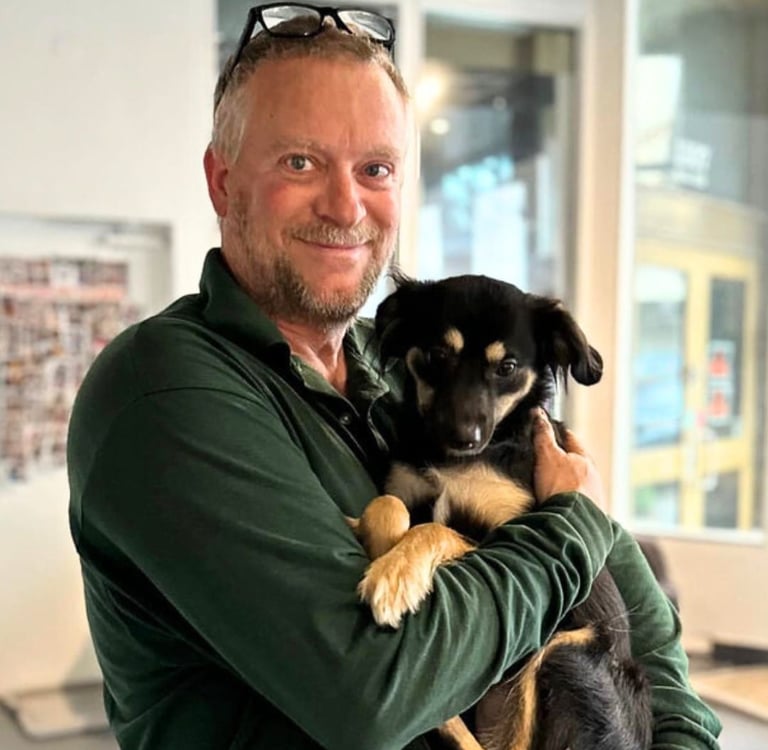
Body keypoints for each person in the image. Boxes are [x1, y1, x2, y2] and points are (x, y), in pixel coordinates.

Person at [67, 5, 722, 749]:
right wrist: (569, 529)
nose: (345, 206)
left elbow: (651, 653)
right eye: (300, 163)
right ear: (223, 184)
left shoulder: (404, 364)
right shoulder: (166, 390)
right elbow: (370, 696)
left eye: (375, 169)